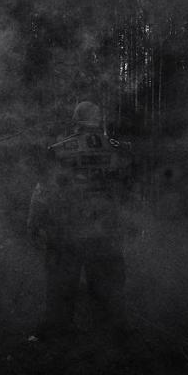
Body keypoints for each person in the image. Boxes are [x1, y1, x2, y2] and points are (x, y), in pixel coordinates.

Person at [27, 100, 133, 340]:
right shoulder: (118, 150)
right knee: (108, 289)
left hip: (66, 231)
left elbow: (44, 191)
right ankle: (112, 335)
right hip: (105, 231)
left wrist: (34, 222)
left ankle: (57, 334)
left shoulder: (59, 150)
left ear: (75, 122)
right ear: (99, 122)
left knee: (61, 288)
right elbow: (128, 192)